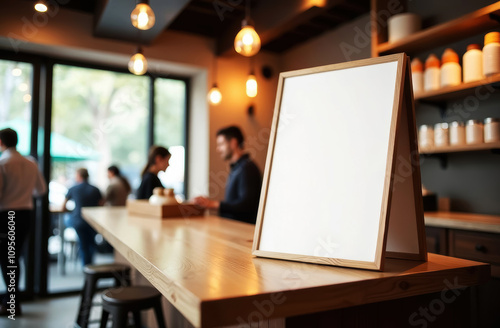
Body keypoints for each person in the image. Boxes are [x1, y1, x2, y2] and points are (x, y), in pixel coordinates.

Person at [0, 128, 47, 317]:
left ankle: (12, 303)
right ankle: (12, 301)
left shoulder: (3, 163)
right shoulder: (31, 163)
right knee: (14, 257)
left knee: (8, 260)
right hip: (25, 214)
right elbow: (41, 190)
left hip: (7, 215)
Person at [194, 126, 262, 224]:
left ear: (233, 143)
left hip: (242, 232)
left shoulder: (247, 167)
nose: (218, 149)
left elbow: (246, 205)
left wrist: (212, 204)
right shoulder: (238, 167)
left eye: (221, 144)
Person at [61, 168, 102, 266]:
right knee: (91, 244)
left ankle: (86, 267)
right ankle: (90, 265)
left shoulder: (73, 188)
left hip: (78, 221)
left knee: (83, 245)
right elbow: (101, 204)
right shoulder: (95, 189)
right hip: (93, 221)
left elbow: (63, 207)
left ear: (79, 176)